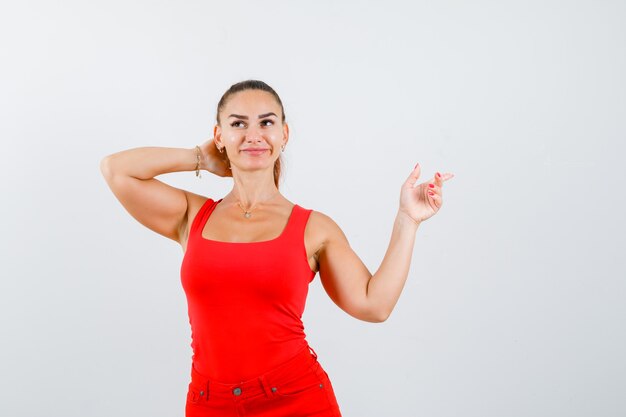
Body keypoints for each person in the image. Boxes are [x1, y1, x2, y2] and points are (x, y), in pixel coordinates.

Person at [100, 79, 454, 417]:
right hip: (210, 405)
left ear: (283, 134)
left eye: (266, 122)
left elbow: (373, 305)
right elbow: (116, 170)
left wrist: (408, 219)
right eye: (238, 124)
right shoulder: (193, 217)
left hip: (294, 399)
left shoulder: (313, 228)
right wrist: (198, 158)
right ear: (218, 136)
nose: (253, 135)